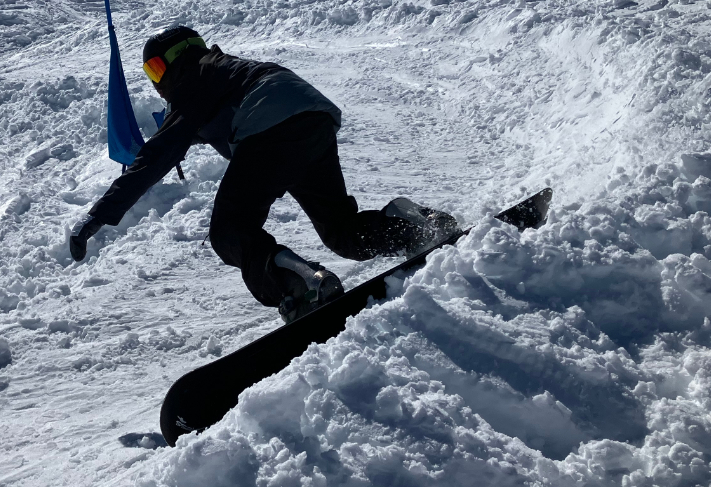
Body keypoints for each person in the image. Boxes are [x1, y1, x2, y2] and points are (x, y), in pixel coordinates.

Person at [69, 26, 458, 323]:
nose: (157, 83)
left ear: (177, 59)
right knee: (342, 232)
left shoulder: (193, 79)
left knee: (229, 232)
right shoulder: (224, 68)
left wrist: (99, 215)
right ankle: (411, 223)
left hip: (269, 125)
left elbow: (152, 159)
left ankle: (301, 287)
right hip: (312, 116)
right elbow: (216, 118)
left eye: (155, 69)